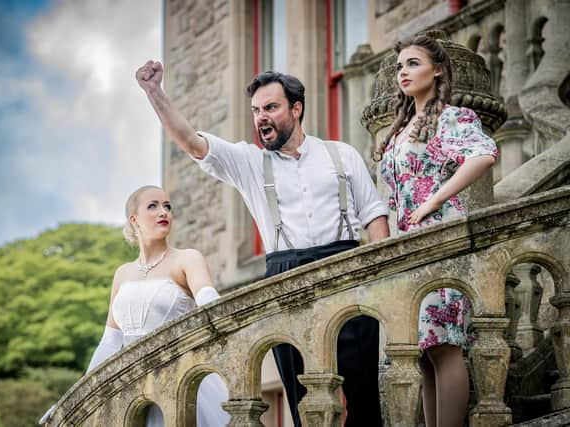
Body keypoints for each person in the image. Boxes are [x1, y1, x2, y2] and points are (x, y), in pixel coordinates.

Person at [136, 62, 389, 427]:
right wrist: (154, 92)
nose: (261, 118)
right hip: (284, 277)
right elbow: (192, 142)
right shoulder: (249, 162)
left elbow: (374, 215)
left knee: (365, 395)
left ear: (296, 109)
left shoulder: (341, 154)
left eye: (270, 108)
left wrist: (379, 280)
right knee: (304, 401)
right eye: (256, 111)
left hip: (347, 268)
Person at [376, 35, 498, 427]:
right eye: (399, 67)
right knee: (424, 349)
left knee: (446, 345)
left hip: (440, 240)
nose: (403, 73)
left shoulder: (453, 117)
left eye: (412, 64)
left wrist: (432, 201)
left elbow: (483, 155)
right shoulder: (399, 130)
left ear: (439, 69)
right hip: (407, 247)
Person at [40, 185, 230, 427]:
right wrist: (75, 398)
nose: (164, 212)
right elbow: (109, 342)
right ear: (134, 220)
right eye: (153, 206)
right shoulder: (122, 274)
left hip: (179, 379)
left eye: (167, 206)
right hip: (131, 387)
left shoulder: (187, 259)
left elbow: (208, 299)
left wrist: (214, 303)